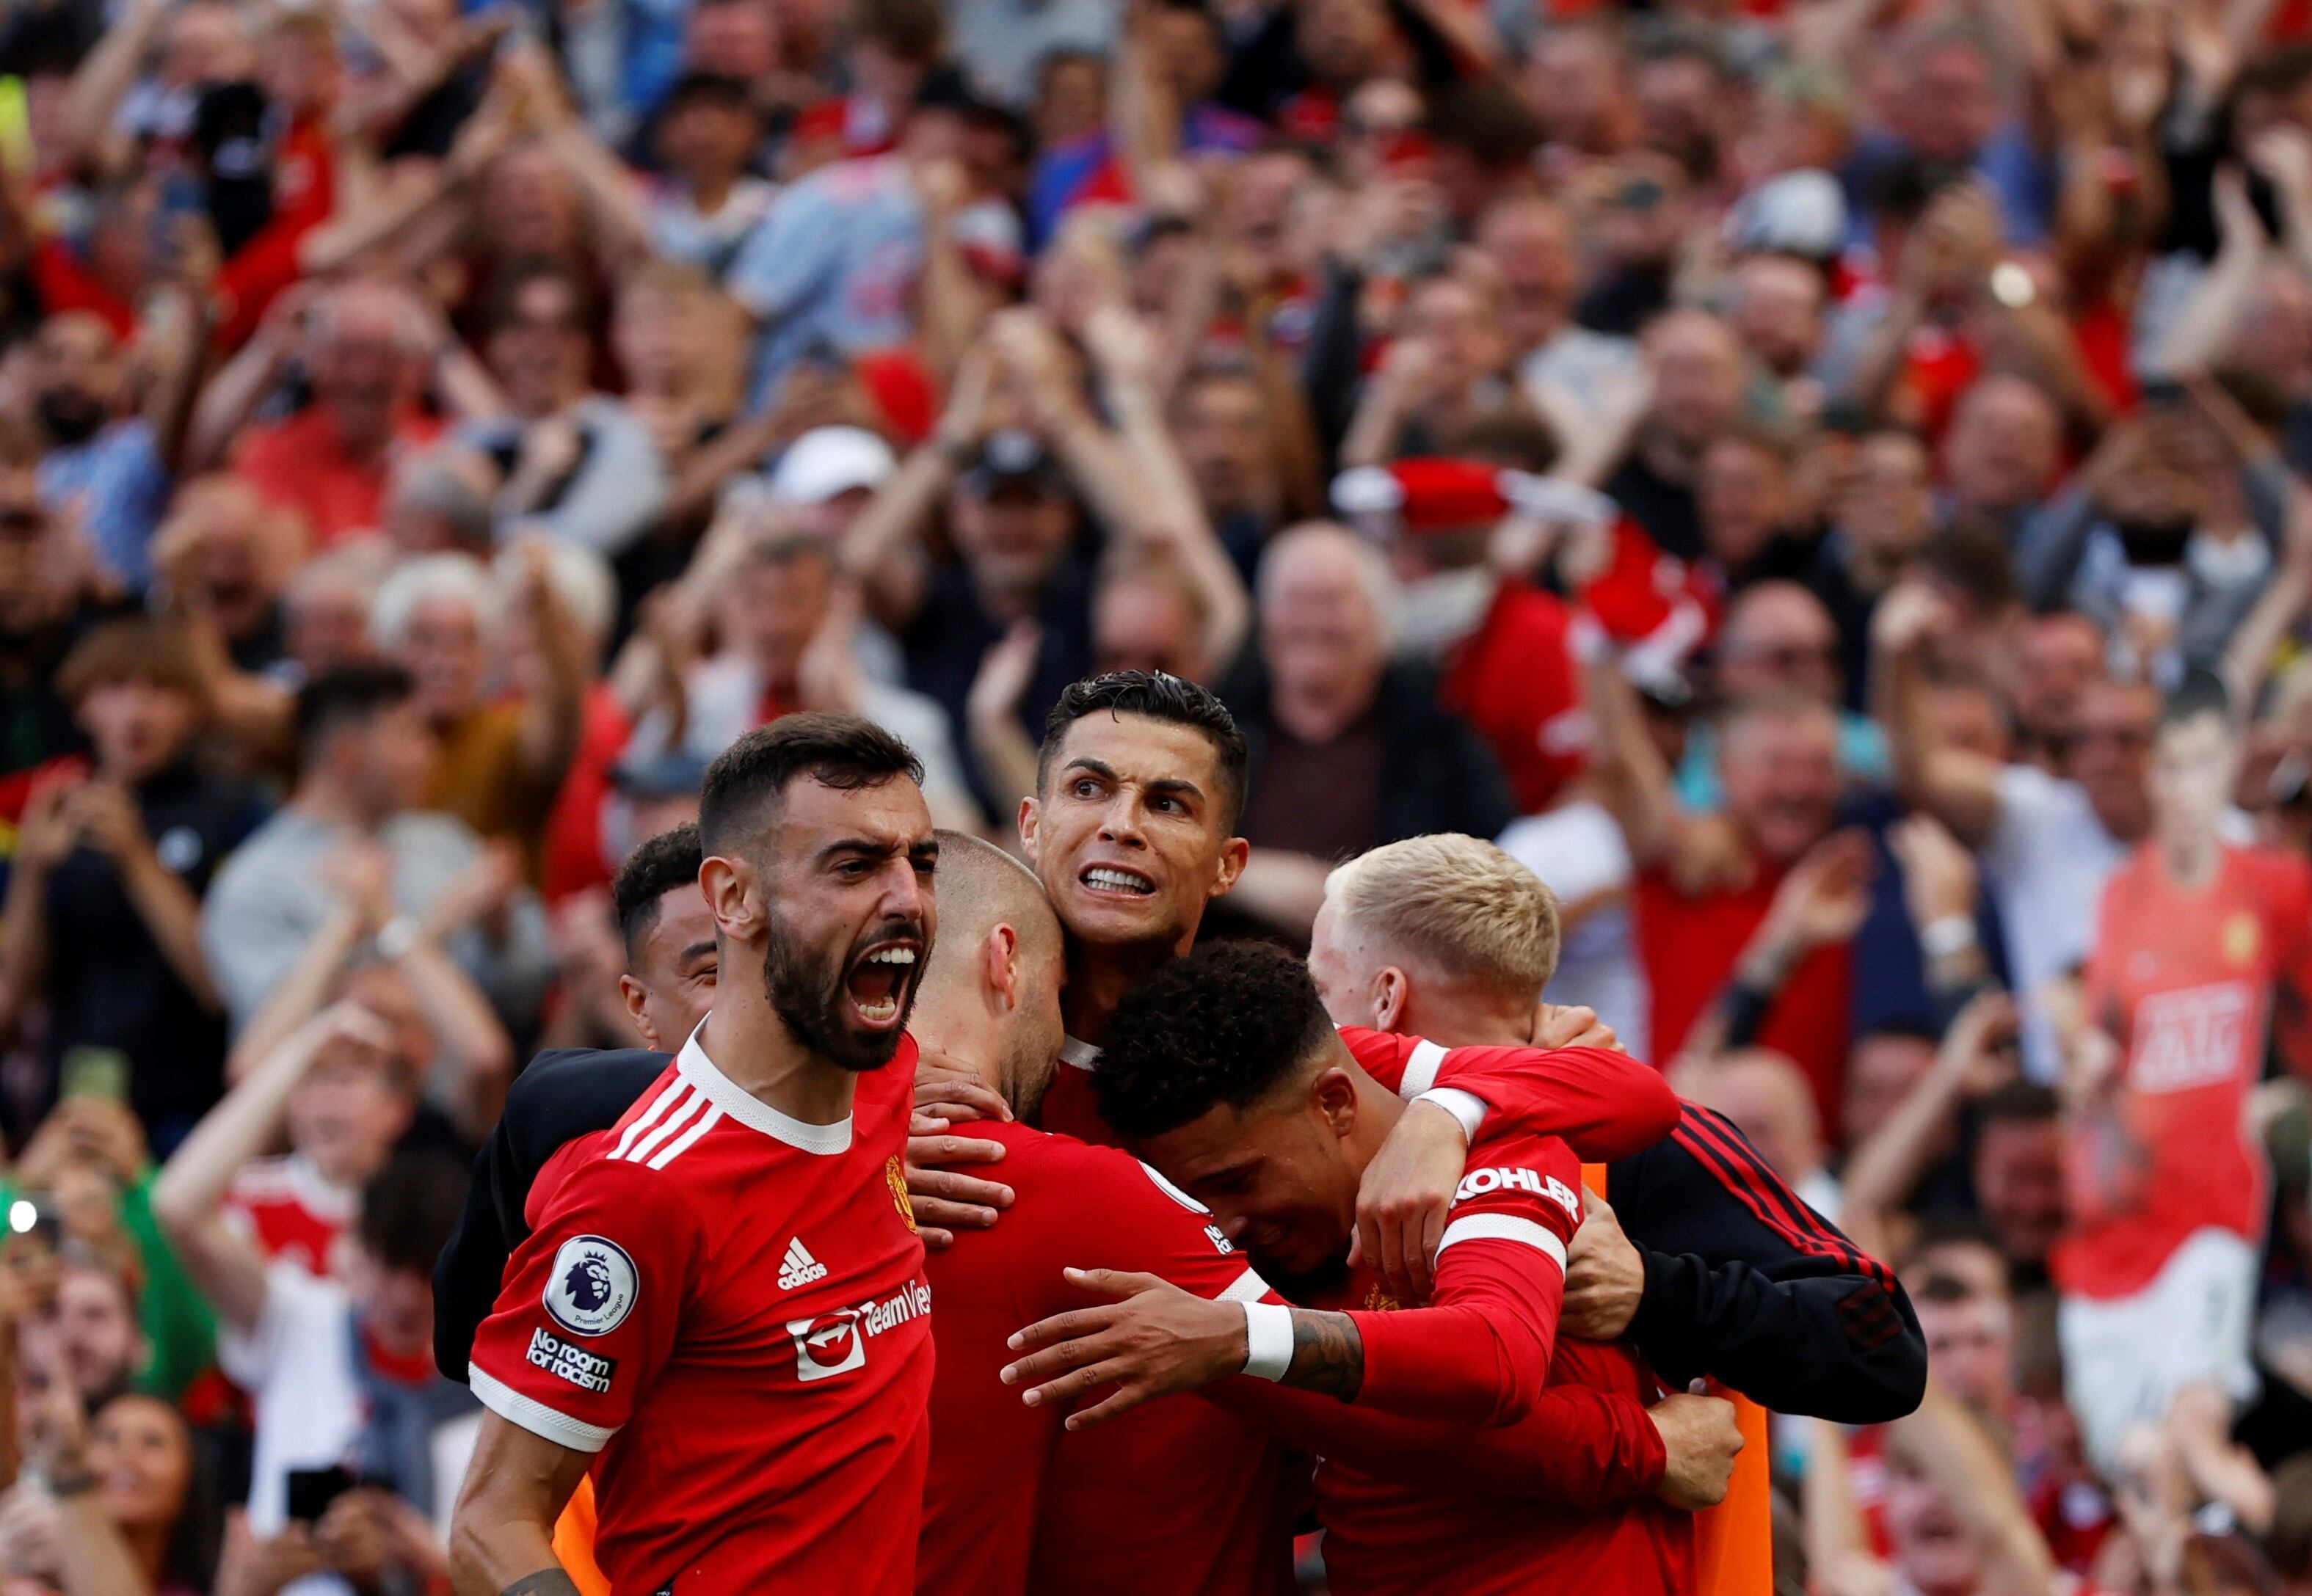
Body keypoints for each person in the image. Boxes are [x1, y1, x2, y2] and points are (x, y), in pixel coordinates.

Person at [1025, 939, 1698, 1592]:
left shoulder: (1492, 1153)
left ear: (1338, 1104)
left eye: (1238, 1180)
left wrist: (1449, 1111)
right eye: (1198, 1197)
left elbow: (1497, 1359)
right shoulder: (1254, 1106)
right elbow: (1385, 1428)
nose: (1225, 1227)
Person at [450, 715, 939, 1595]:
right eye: (856, 866)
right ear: (735, 898)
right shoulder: (642, 1196)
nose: (906, 896)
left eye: (922, 863)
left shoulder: (887, 1075)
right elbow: (493, 1521)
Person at [1308, 831, 1926, 1422]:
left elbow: (1881, 1342)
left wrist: (1652, 1290)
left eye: (1320, 987)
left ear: (1386, 998)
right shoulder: (1310, 1155)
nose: (1311, 1022)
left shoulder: (1637, 1143)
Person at [2057, 671, 2312, 1498]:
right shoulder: (2119, 897)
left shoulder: (2274, 888)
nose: (2188, 785)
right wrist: (2083, 1055)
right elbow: (2098, 1044)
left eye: (2206, 763)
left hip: (2216, 1209)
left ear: (2229, 767)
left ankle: (2275, 1537)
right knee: (2143, 1467)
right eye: (2173, 765)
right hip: (2121, 1221)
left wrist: (2294, 1104)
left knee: (2195, 1433)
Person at [151, 1004, 474, 1590]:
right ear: (355, 1255)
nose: (405, 1295)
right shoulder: (304, 1320)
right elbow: (177, 1204)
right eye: (390, 1266)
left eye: (426, 1271)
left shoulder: (491, 1390)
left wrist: (416, 1552)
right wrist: (306, 1049)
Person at [1, 619, 266, 1144]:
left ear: (195, 709)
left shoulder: (234, 811)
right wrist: (33, 870)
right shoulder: (51, 811)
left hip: (187, 1106)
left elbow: (222, 987)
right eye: (116, 689)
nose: (137, 712)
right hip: (70, 1100)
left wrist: (138, 860)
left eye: (161, 690)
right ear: (82, 707)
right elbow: (12, 1003)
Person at [197, 663, 553, 1035]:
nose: (427, 753)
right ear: (349, 753)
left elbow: (527, 993)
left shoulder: (444, 840)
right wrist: (429, 927)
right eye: (408, 734)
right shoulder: (255, 881)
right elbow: (275, 1036)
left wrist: (501, 930)